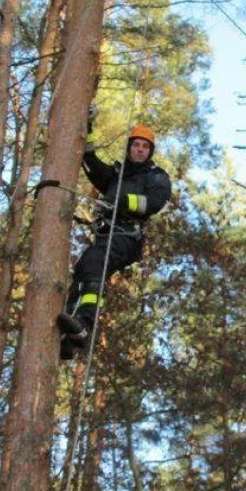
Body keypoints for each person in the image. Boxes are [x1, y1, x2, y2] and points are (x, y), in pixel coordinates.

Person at [57, 124, 172, 360]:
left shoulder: (156, 176)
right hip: (106, 235)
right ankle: (70, 335)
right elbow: (89, 162)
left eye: (145, 147)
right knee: (84, 270)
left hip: (126, 236)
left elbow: (153, 202)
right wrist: (85, 129)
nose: (140, 150)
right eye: (136, 145)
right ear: (129, 148)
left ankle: (83, 324)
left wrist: (122, 200)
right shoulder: (116, 175)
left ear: (150, 152)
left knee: (94, 263)